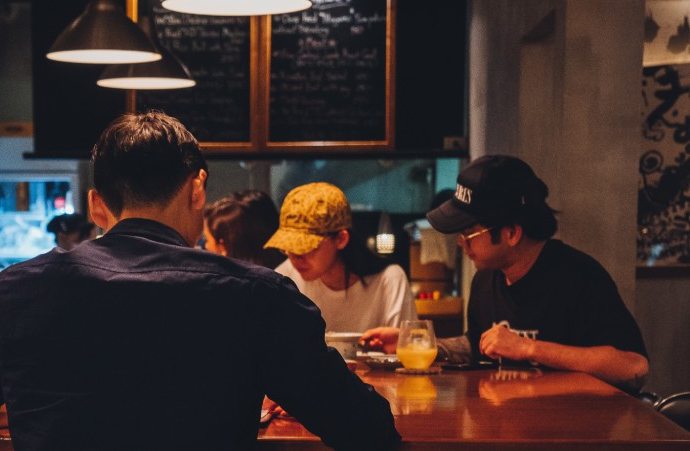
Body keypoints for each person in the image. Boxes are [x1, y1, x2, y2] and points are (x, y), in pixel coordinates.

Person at [0, 112, 400, 451]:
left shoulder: (12, 289)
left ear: (98, 205)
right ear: (197, 189)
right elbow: (365, 429)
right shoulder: (261, 297)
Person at [362, 155, 649, 392]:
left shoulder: (579, 277)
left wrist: (528, 348)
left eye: (469, 234)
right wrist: (418, 343)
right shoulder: (486, 279)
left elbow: (633, 367)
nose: (462, 245)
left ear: (512, 232)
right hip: (510, 430)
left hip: (572, 436)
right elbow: (479, 345)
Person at [264, 182, 418, 333]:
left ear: (340, 239)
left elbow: (407, 348)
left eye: (306, 247)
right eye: (288, 248)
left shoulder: (388, 280)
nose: (295, 258)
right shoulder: (285, 278)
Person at [202, 190, 285, 269]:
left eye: (207, 239)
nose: (205, 246)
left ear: (223, 247)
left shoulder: (223, 282)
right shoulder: (286, 274)